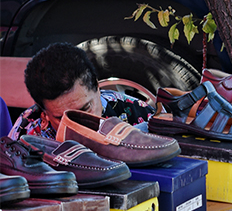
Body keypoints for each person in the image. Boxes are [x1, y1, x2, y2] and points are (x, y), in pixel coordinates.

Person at [8, 42, 154, 140]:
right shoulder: (25, 135)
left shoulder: (137, 113)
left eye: (85, 109)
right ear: (44, 115)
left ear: (97, 88)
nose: (79, 127)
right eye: (62, 118)